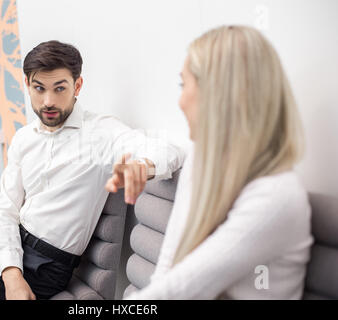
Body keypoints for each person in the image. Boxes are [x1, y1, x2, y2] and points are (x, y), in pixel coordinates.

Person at [0, 40, 184, 300]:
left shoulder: (101, 132)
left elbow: (169, 150)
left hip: (45, 264)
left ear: (77, 85)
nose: (48, 102)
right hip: (9, 238)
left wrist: (142, 165)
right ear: (27, 85)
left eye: (60, 88)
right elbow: (5, 211)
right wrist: (11, 272)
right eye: (39, 88)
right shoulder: (24, 139)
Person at [123, 25, 313, 300]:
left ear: (220, 95)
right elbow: (168, 273)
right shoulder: (201, 162)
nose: (180, 101)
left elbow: (175, 293)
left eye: (183, 84)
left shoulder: (276, 196)